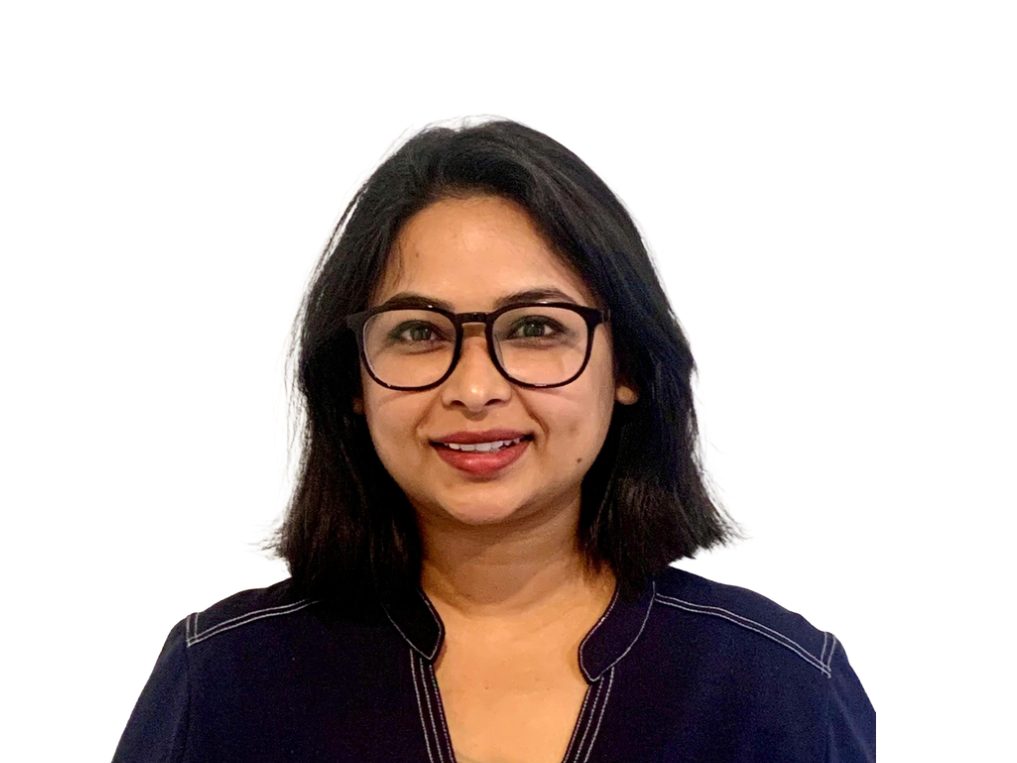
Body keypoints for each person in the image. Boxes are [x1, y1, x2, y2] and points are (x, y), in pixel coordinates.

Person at [113, 119, 875, 762]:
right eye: (418, 332)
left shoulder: (776, 686)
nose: (474, 389)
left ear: (627, 366)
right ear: (352, 380)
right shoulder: (222, 681)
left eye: (534, 327)